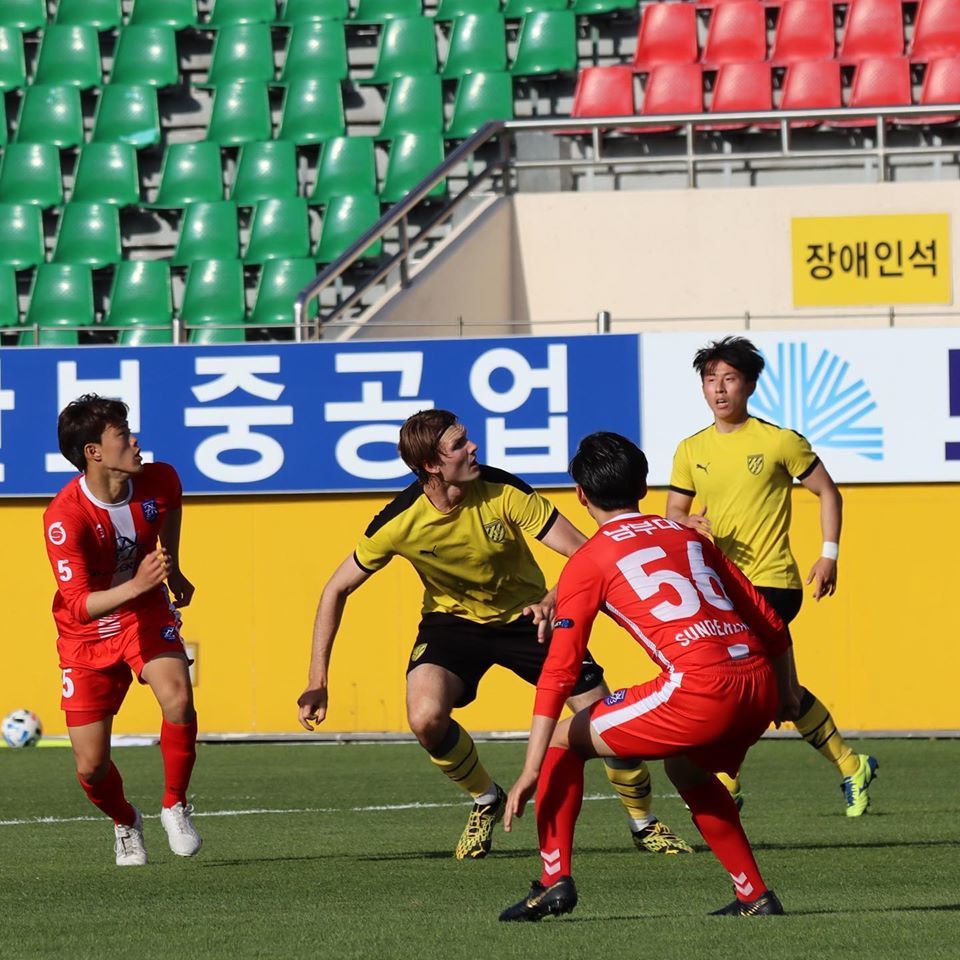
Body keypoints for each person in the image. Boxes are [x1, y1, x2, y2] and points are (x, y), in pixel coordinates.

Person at [297, 409, 691, 860]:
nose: (474, 448)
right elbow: (335, 589)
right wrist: (317, 680)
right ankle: (486, 799)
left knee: (604, 719)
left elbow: (587, 553)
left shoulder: (504, 490)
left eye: (468, 439)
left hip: (528, 619)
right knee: (424, 717)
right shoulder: (398, 521)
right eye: (460, 444)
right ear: (431, 465)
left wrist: (549, 601)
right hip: (452, 626)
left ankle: (643, 823)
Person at [499, 432, 798, 922]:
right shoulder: (686, 535)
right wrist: (786, 690)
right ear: (642, 485)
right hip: (759, 681)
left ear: (580, 494)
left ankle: (553, 882)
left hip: (702, 689)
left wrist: (530, 768)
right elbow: (769, 619)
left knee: (559, 740)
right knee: (686, 768)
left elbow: (560, 668)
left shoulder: (589, 558)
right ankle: (754, 895)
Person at [665, 336, 877, 816]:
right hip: (720, 587)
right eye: (709, 379)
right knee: (781, 697)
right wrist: (687, 522)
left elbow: (828, 493)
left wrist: (828, 555)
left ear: (751, 385)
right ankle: (851, 765)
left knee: (736, 685)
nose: (718, 390)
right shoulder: (690, 448)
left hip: (773, 584)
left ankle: (726, 783)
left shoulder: (779, 440)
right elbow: (673, 511)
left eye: (729, 379)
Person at [43, 394, 201, 867]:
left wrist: (171, 570)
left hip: (144, 612)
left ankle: (175, 803)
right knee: (91, 767)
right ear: (94, 452)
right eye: (120, 434)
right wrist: (139, 582)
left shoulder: (160, 479)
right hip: (85, 635)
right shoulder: (63, 518)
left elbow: (170, 508)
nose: (134, 440)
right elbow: (80, 605)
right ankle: (125, 821)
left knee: (177, 696)